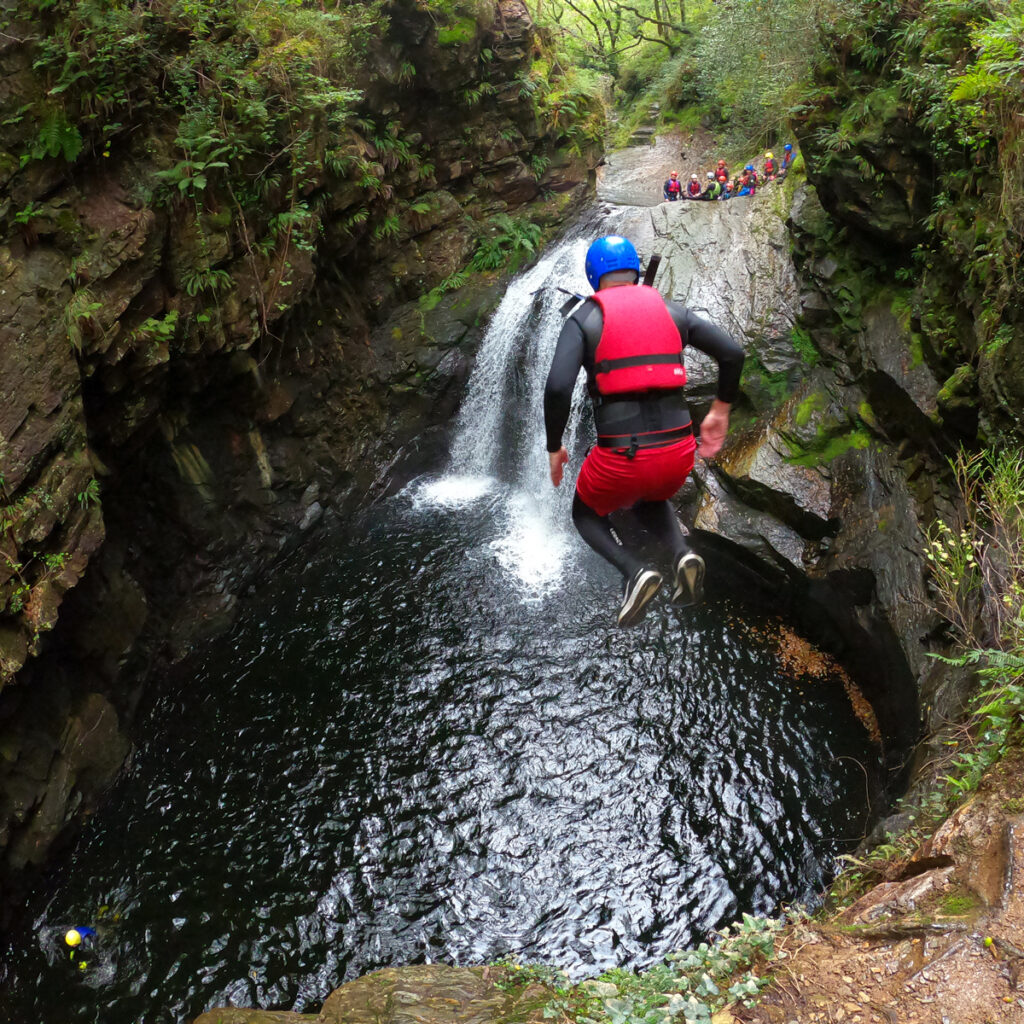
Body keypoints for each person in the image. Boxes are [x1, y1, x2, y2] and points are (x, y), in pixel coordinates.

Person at [543, 236, 745, 627]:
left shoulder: (584, 318)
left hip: (622, 457)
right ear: (635, 270)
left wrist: (555, 446)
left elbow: (556, 387)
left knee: (585, 515)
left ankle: (634, 572)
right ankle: (681, 553)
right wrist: (720, 409)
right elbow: (733, 354)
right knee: (651, 496)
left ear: (593, 275)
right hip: (678, 453)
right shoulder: (671, 310)